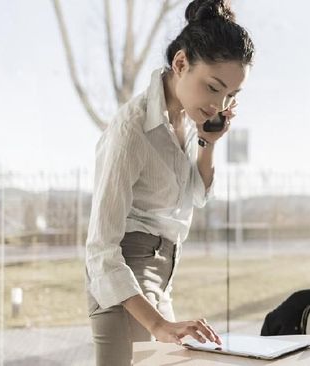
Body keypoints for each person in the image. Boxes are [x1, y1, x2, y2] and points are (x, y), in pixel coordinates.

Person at [84, 0, 254, 364]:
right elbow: (100, 250)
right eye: (213, 87)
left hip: (163, 276)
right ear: (180, 63)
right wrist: (159, 324)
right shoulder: (132, 130)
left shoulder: (188, 118)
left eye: (230, 96)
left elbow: (196, 195)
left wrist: (208, 142)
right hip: (124, 284)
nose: (219, 105)